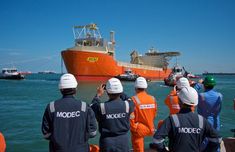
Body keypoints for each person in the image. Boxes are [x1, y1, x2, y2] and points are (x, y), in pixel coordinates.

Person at [151, 87, 221, 152]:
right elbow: (217, 139)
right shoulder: (202, 120)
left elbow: (156, 140)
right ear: (195, 103)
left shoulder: (172, 119)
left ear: (179, 101)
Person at [41, 73, 97, 152]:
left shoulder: (51, 107)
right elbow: (93, 132)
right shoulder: (84, 107)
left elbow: (46, 134)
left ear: (60, 89)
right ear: (75, 89)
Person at [90, 78, 134, 152]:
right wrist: (119, 91)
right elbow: (129, 99)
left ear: (107, 92)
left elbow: (92, 106)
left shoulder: (101, 107)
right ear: (120, 91)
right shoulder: (128, 105)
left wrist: (98, 95)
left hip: (107, 142)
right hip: (123, 142)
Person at [195, 76, 222, 151]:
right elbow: (219, 108)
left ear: (204, 85)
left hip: (204, 123)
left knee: (203, 145)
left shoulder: (202, 96)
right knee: (216, 143)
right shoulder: (220, 95)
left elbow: (192, 94)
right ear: (214, 85)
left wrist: (198, 84)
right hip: (216, 123)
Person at [130, 77, 157, 152]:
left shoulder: (133, 99)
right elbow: (154, 114)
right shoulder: (152, 98)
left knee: (138, 147)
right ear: (145, 87)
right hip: (151, 128)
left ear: (135, 87)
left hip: (139, 129)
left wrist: (134, 128)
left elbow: (131, 117)